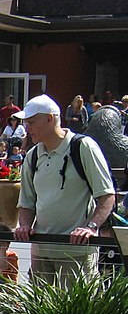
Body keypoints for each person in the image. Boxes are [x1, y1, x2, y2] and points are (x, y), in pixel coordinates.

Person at [15, 93, 116, 284]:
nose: (27, 128)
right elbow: (26, 202)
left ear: (50, 119)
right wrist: (24, 225)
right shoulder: (32, 155)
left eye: (32, 122)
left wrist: (91, 228)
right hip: (41, 253)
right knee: (39, 311)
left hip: (76, 254)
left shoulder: (83, 147)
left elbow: (107, 195)